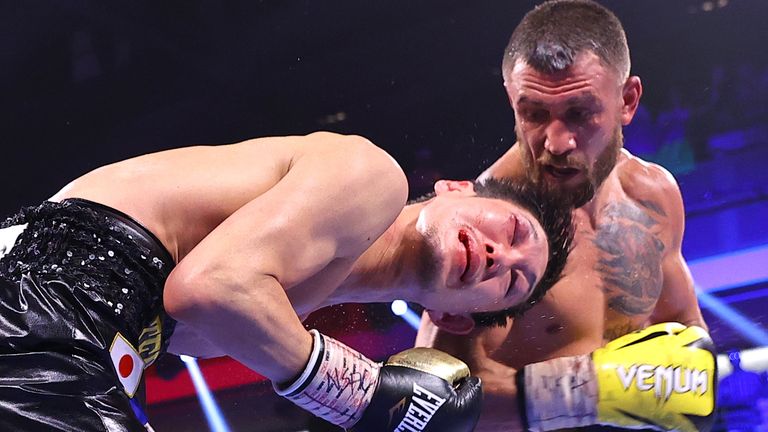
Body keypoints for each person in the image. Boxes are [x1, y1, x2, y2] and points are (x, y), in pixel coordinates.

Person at [0, 131, 572, 431]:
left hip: (68, 327)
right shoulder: (372, 176)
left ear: (450, 317)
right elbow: (206, 289)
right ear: (456, 189)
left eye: (513, 281)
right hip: (55, 308)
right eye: (514, 230)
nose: (503, 256)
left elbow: (200, 310)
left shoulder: (286, 295)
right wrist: (363, 397)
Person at [415, 1, 717, 431]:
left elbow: (686, 330)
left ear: (627, 101)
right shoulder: (488, 230)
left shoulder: (653, 193)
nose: (556, 142)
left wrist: (690, 378)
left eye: (580, 113)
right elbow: (434, 405)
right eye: (534, 114)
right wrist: (585, 393)